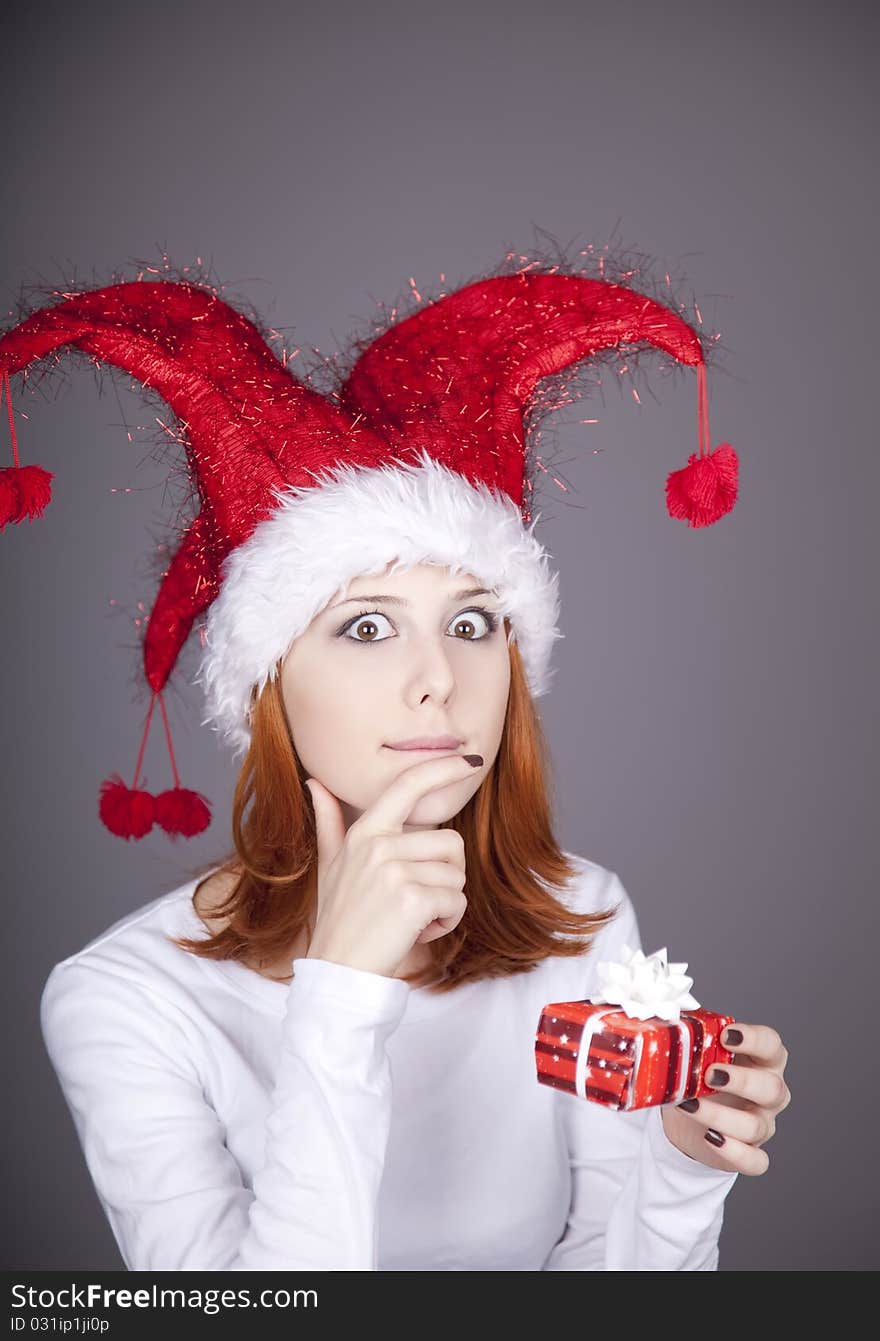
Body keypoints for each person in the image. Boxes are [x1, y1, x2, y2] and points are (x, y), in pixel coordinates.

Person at [2, 248, 789, 1270]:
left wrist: (682, 1165)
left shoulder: (582, 916)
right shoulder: (126, 998)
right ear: (270, 684)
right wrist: (337, 994)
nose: (438, 680)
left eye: (471, 625)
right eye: (367, 630)